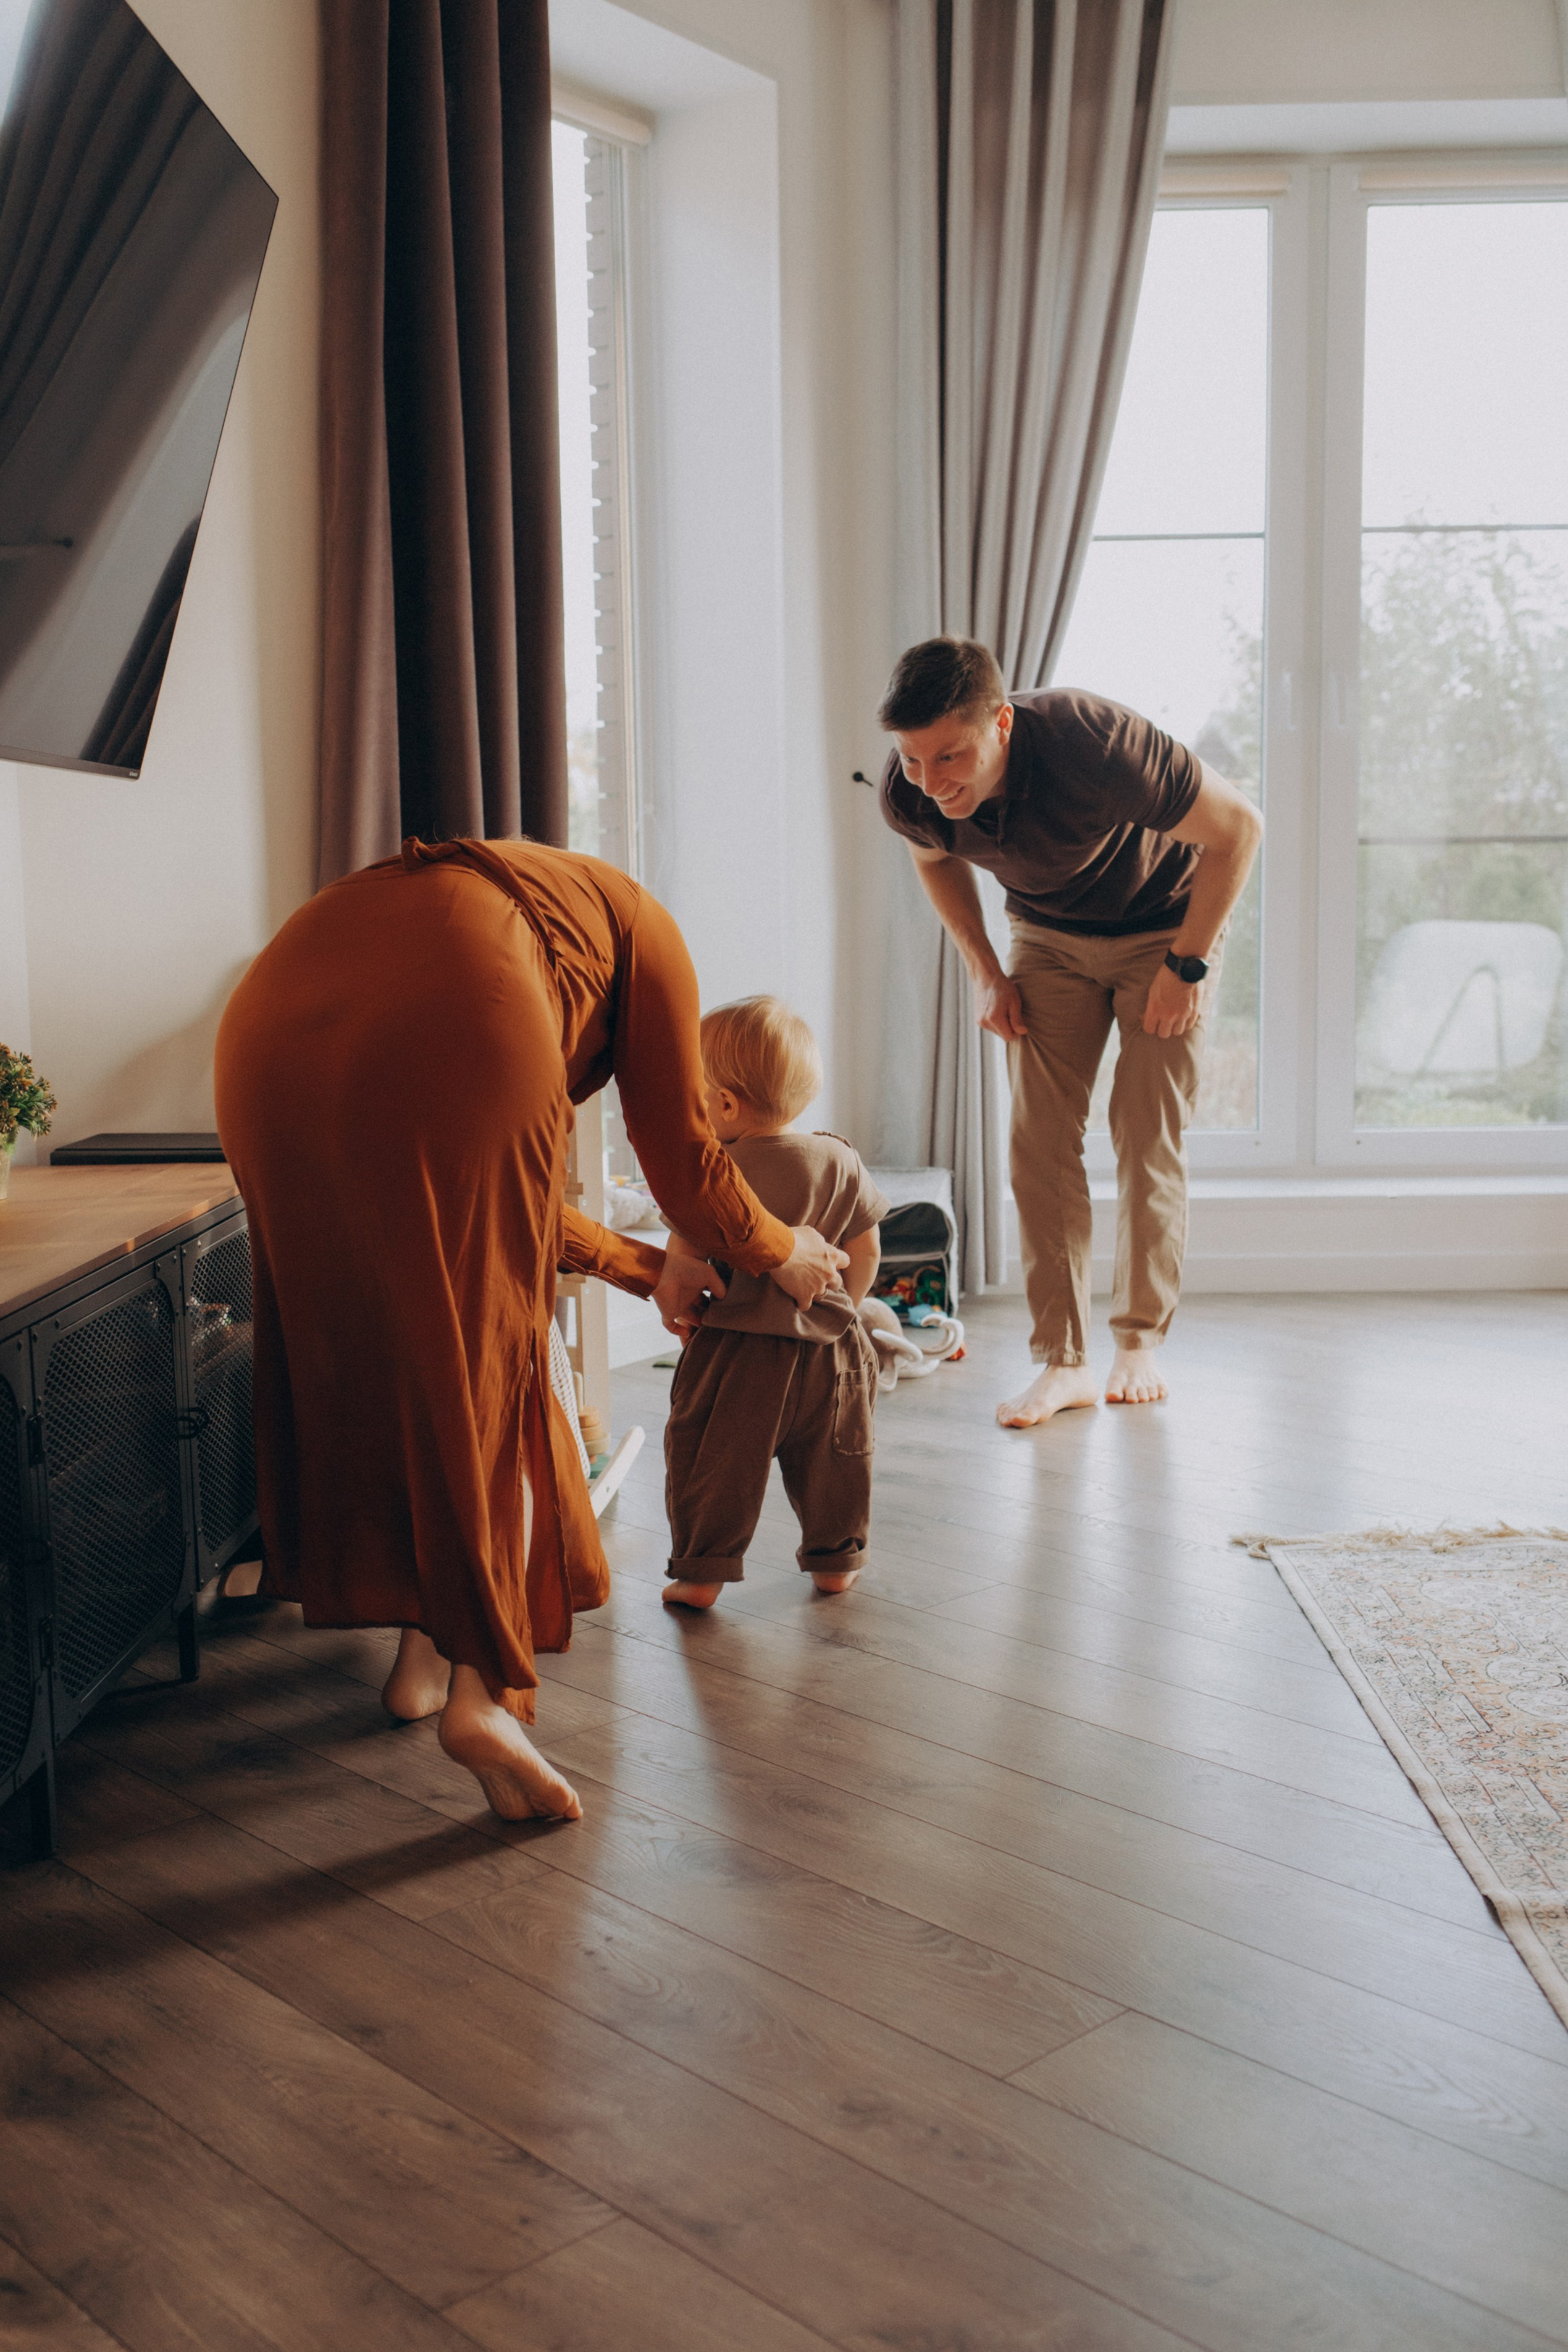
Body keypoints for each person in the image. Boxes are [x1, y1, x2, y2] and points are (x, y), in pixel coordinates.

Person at [214, 839, 847, 1823]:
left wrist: (648, 1270)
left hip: (261, 1028)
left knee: (385, 1355)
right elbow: (683, 1156)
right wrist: (780, 1250)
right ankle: (484, 1697)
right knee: (494, 1377)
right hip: (449, 1007)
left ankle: (421, 1658)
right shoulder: (646, 931)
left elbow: (505, 1196)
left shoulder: (477, 912)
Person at [877, 636, 1263, 1428]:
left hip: (1165, 928)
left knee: (1145, 1130)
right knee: (1039, 1140)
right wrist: (985, 970)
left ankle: (1138, 1343)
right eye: (913, 759)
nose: (931, 782)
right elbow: (933, 861)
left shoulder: (1094, 743)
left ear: (1001, 724)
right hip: (1048, 938)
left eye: (950, 757)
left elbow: (1239, 829)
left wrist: (1187, 965)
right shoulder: (909, 791)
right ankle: (1064, 1361)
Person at [659, 996, 889, 1610]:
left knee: (712, 1461)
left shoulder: (711, 1172)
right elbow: (866, 1249)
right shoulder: (840, 1157)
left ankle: (702, 1572)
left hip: (737, 1353)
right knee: (838, 1458)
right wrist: (843, 1309)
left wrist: (685, 1313)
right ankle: (836, 1561)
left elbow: (684, 1268)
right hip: (832, 1351)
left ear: (726, 1104)